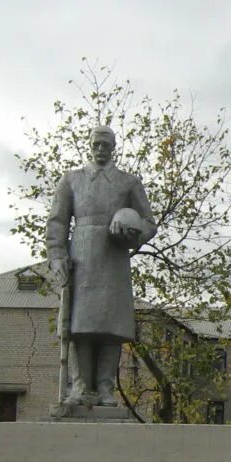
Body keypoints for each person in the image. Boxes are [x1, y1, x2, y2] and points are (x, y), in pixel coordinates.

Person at [46, 125, 156, 407]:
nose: (100, 149)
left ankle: (106, 388)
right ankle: (80, 387)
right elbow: (57, 222)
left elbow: (148, 223)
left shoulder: (128, 182)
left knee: (111, 325)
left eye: (106, 144)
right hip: (81, 258)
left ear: (114, 147)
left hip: (114, 257)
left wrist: (133, 233)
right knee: (80, 325)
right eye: (96, 143)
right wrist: (56, 257)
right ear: (89, 145)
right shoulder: (71, 180)